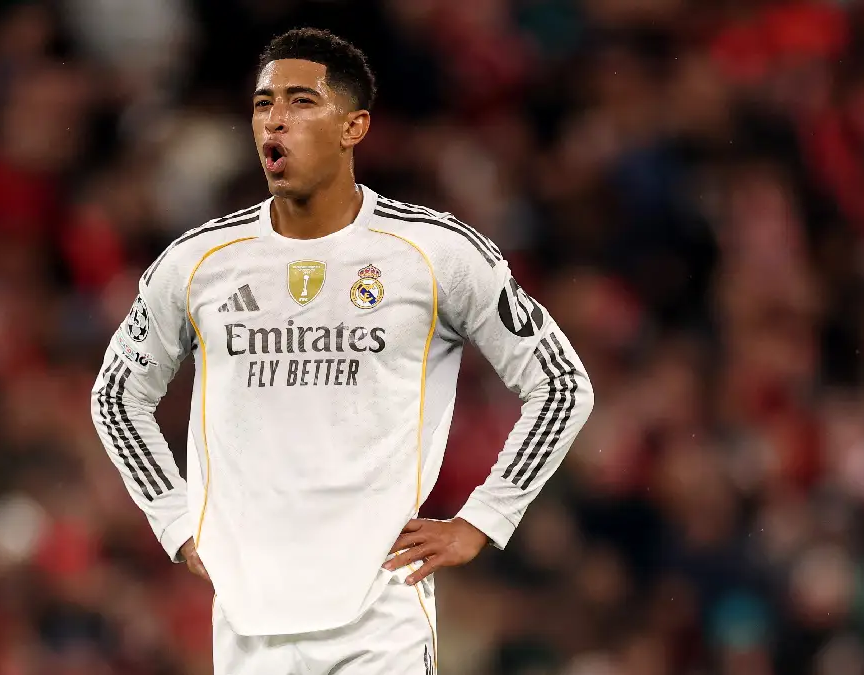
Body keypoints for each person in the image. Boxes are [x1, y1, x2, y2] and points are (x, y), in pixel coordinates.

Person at [90, 27, 594, 674]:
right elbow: (114, 396)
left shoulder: (436, 254)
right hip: (248, 624)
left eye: (301, 102)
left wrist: (484, 517)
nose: (275, 118)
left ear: (353, 127)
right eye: (262, 102)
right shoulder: (197, 263)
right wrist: (172, 517)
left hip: (378, 622)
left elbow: (560, 384)